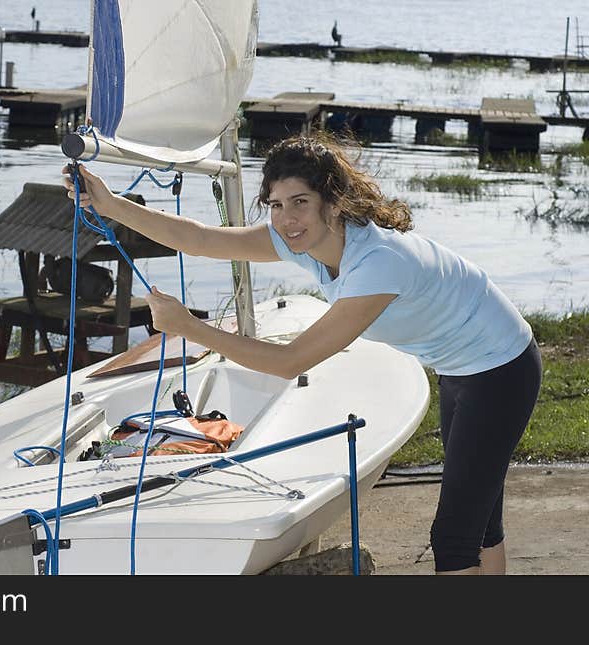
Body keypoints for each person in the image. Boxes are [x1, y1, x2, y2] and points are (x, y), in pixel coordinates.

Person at [62, 134, 542, 575]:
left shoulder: (378, 263)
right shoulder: (307, 242)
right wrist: (109, 204)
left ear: (332, 203)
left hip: (500, 369)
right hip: (462, 368)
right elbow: (201, 239)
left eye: (300, 203)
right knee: (481, 526)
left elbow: (290, 362)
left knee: (454, 538)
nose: (286, 218)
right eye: (274, 204)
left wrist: (191, 328)